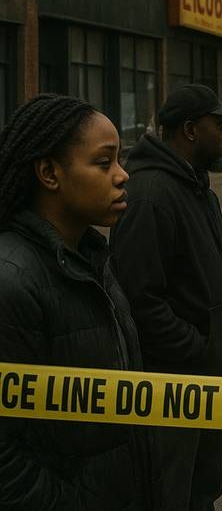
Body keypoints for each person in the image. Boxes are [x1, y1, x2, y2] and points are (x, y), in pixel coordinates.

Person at [0, 94, 155, 509]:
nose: (122, 175)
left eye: (119, 160)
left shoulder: (91, 257)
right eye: (104, 163)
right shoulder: (12, 281)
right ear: (50, 173)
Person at [110, 84, 222, 510]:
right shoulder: (150, 196)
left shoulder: (197, 189)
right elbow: (139, 301)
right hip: (176, 389)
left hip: (208, 384)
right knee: (172, 494)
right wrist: (199, 350)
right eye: (219, 124)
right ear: (190, 130)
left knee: (202, 490)